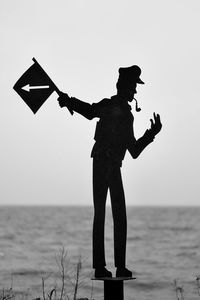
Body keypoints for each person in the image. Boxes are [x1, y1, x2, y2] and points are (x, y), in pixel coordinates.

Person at [57, 65, 162, 278]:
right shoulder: (110, 107)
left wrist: (151, 133)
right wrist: (68, 101)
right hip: (102, 163)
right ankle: (101, 267)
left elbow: (133, 150)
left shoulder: (124, 114)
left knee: (118, 215)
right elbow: (88, 111)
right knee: (103, 214)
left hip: (113, 165)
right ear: (124, 87)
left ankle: (118, 266)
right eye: (133, 86)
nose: (135, 91)